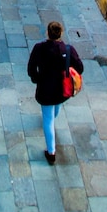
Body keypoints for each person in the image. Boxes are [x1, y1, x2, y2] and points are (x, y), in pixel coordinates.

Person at [27, 21, 84, 165]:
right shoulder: (68, 50)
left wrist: (36, 79)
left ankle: (51, 152)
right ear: (61, 34)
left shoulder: (39, 48)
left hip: (45, 89)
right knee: (56, 108)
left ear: (47, 33)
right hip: (61, 90)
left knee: (48, 120)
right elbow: (80, 68)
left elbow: (31, 68)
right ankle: (53, 118)